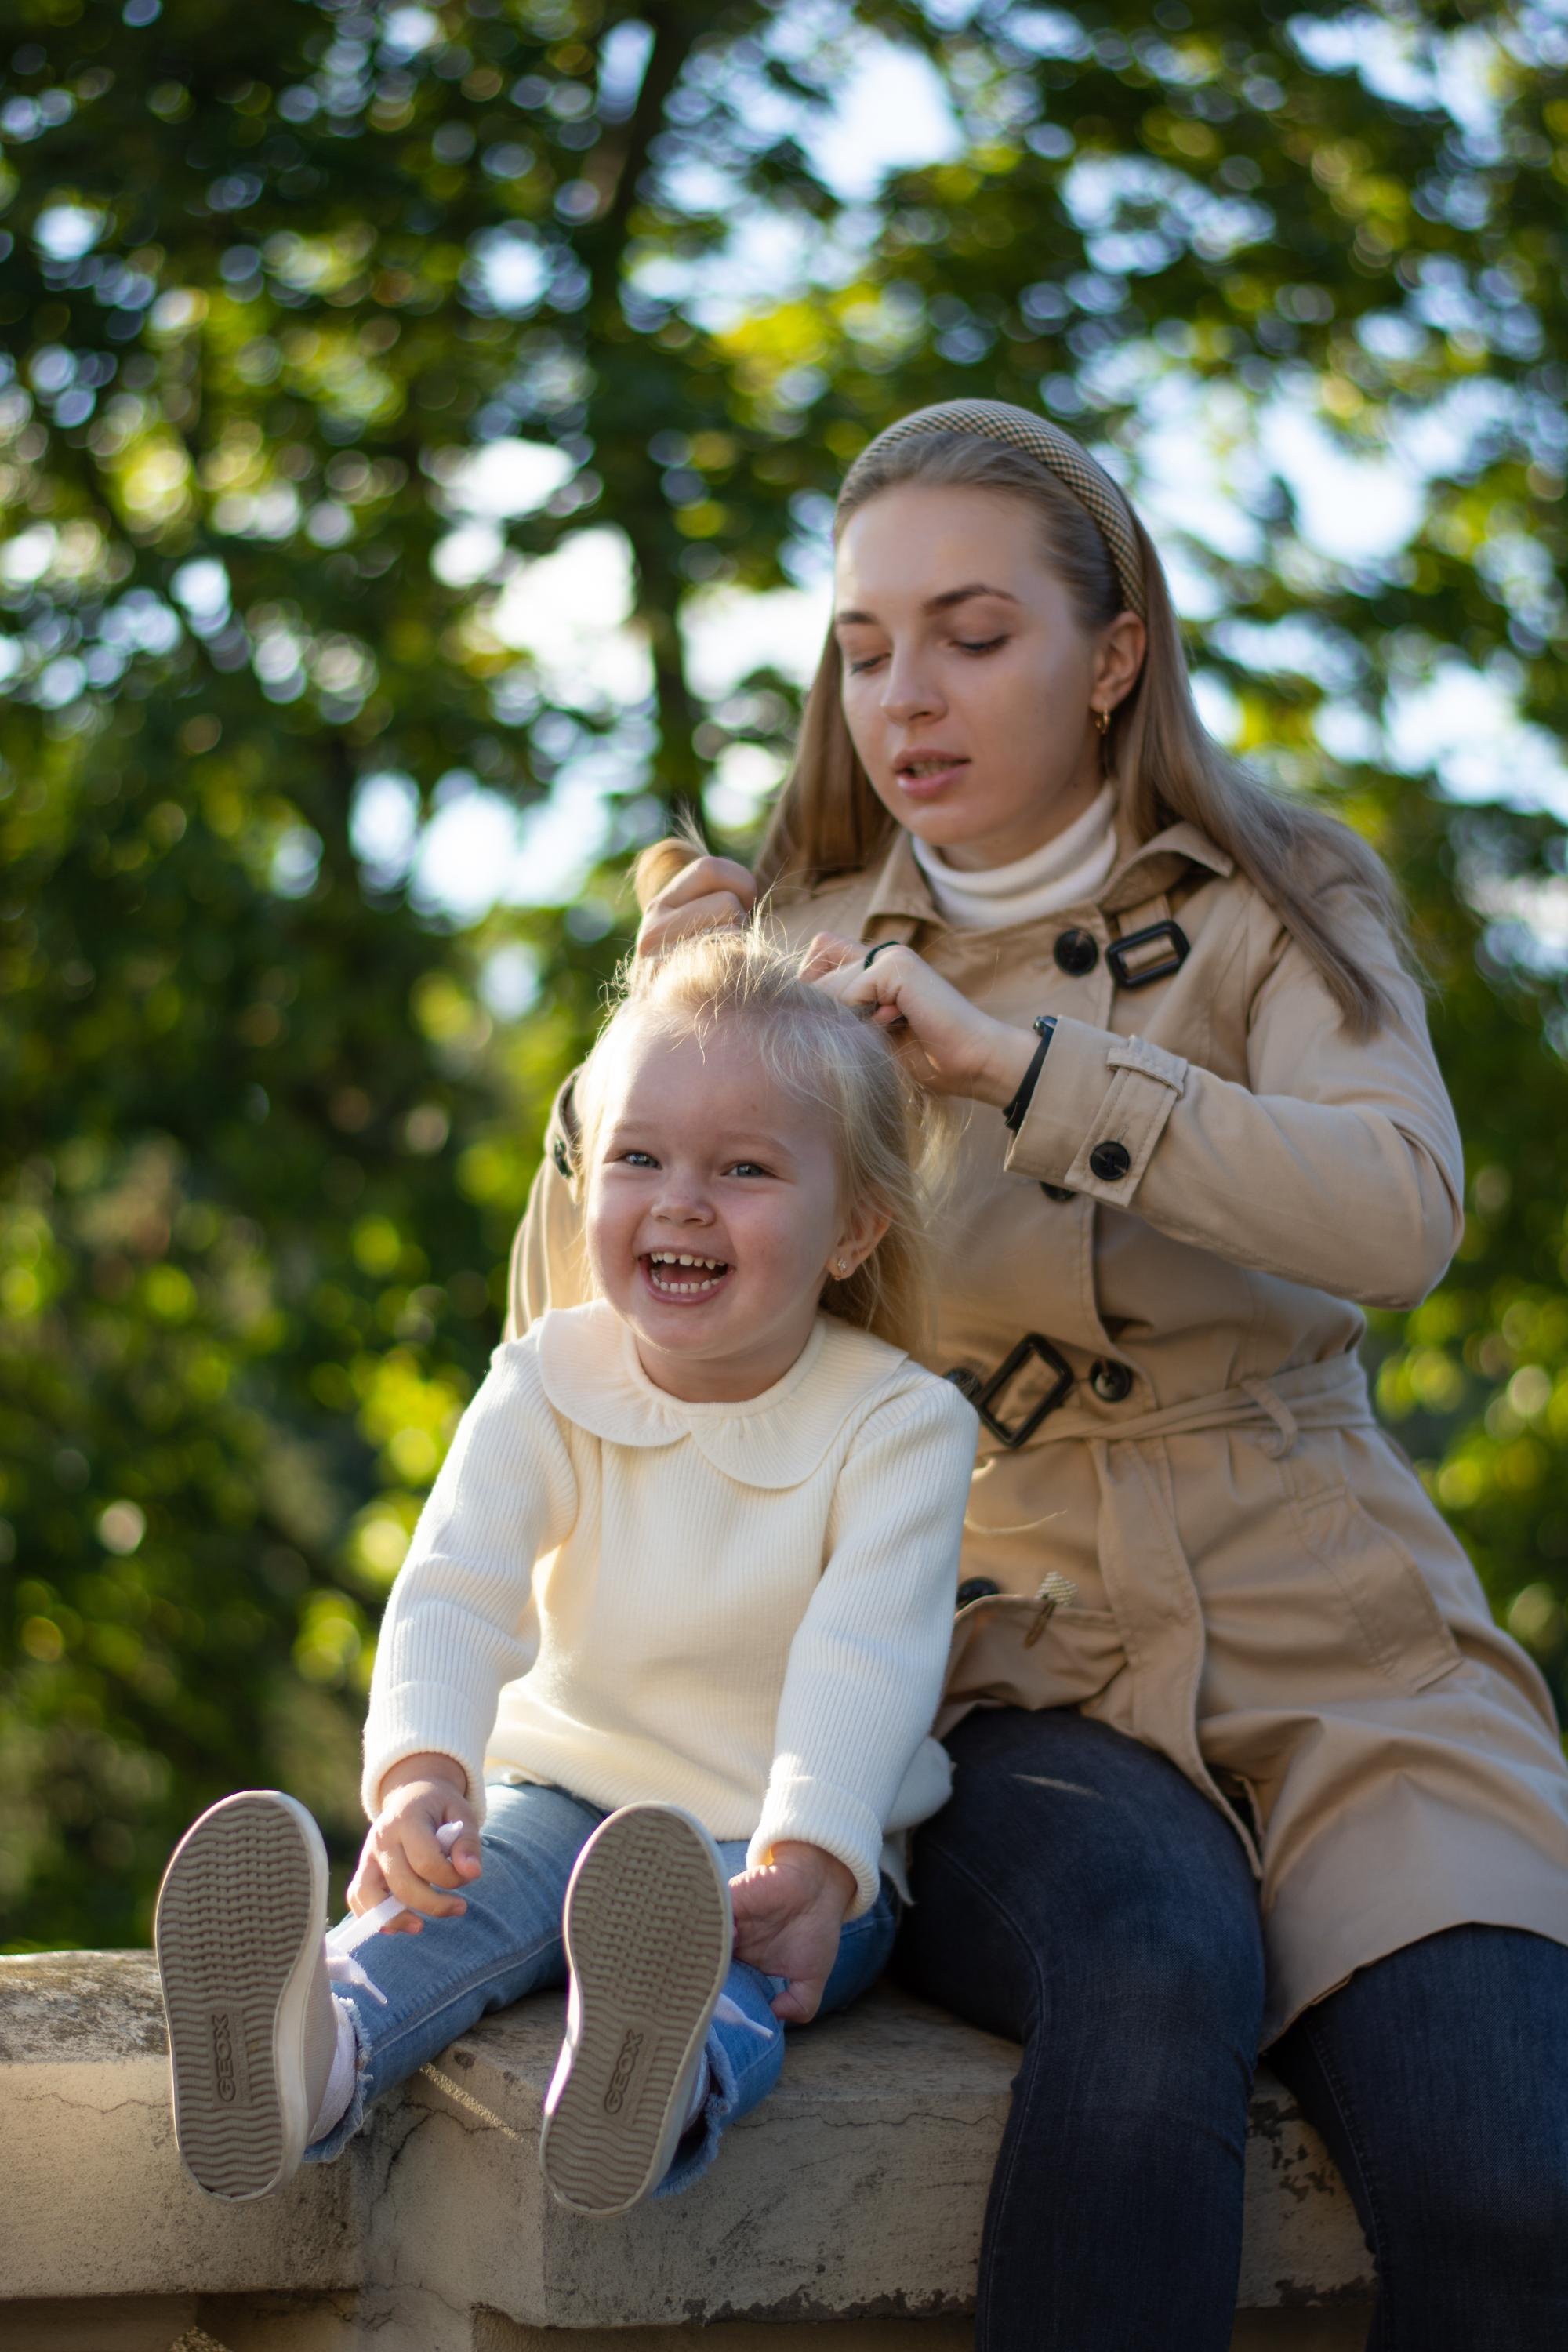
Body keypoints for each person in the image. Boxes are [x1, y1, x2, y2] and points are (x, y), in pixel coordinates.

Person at [510, 399, 1568, 2347]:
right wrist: (621, 1084)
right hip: (995, 1648)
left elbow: (1400, 1211)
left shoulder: (1278, 898)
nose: (903, 697)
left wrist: (1018, 1069)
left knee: (1513, 2180)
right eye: (862, 649)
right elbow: (583, 1357)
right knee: (1148, 1976)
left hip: (1344, 1660)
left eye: (971, 635)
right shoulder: (793, 951)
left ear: (1110, 656)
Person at [153, 924, 978, 2216]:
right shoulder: (548, 1375)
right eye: (638, 1158)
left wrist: (814, 1861)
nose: (681, 1201)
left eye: (745, 1169)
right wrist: (423, 1770)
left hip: (768, 1844)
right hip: (562, 1792)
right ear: (587, 1177)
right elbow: (457, 1583)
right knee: (444, 1907)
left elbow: (864, 1657)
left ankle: (656, 2082)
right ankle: (307, 2055)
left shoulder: (900, 1423)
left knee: (726, 1973)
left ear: (854, 1230)